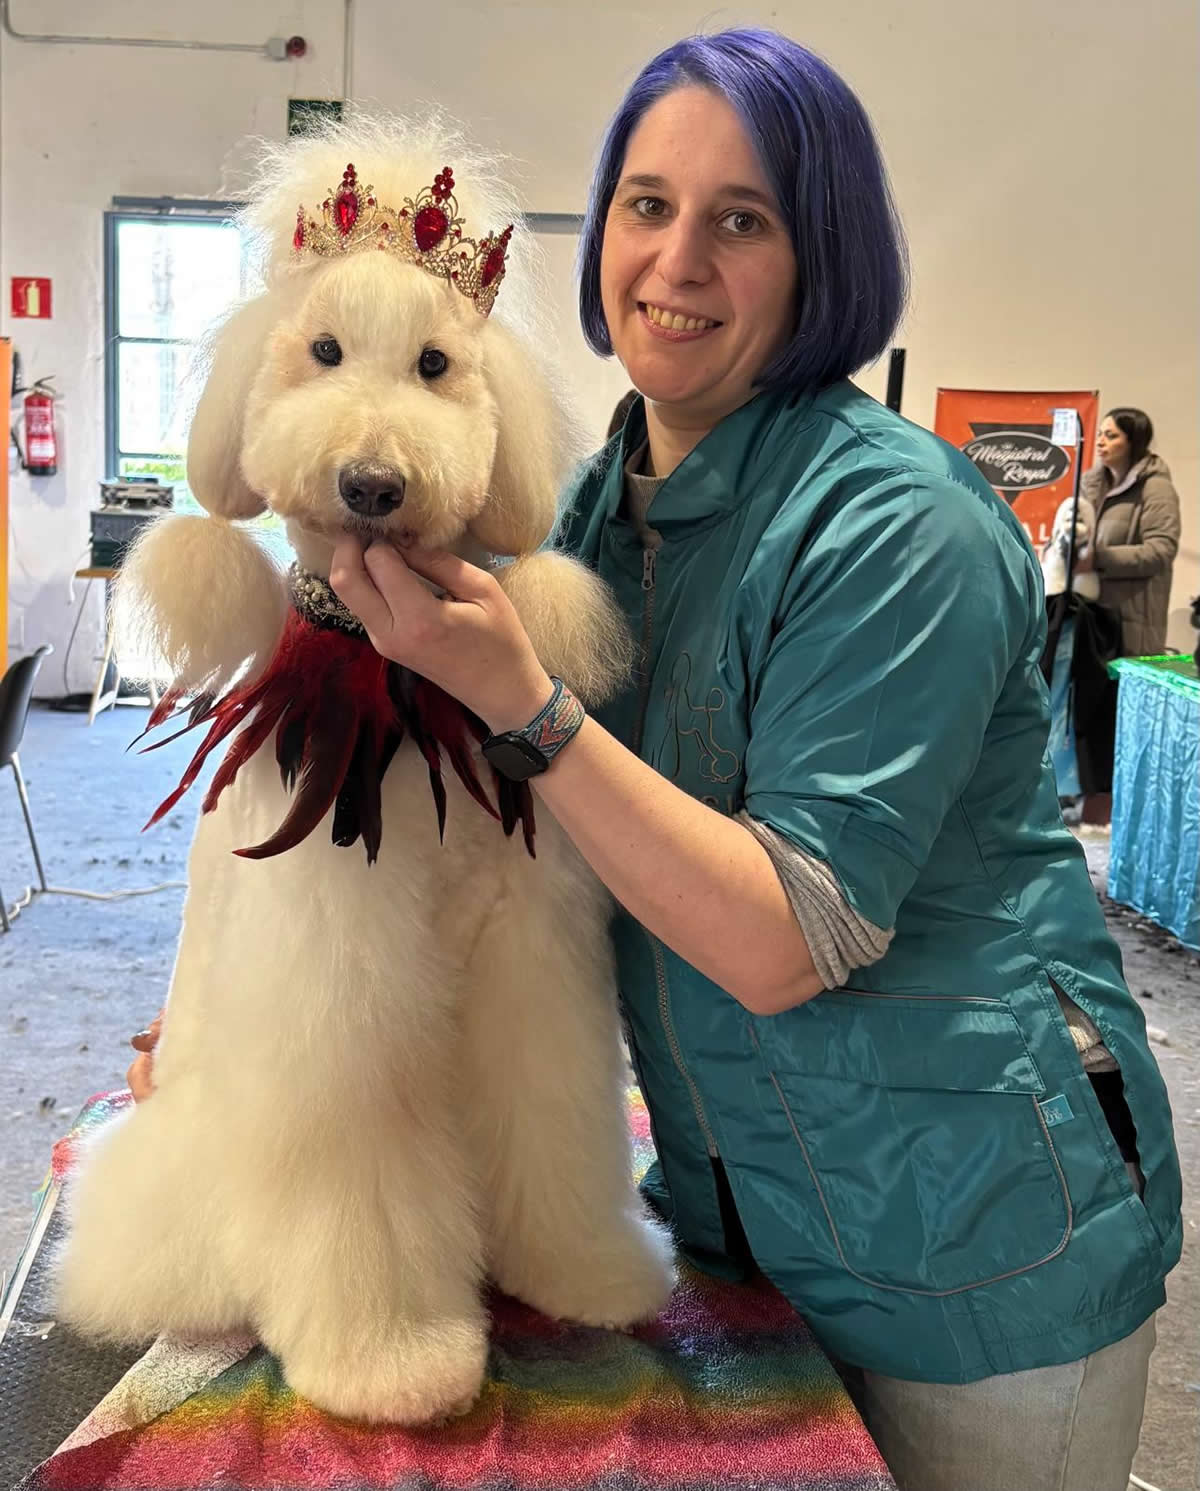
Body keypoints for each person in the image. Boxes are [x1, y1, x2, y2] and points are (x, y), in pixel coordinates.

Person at [132, 30, 1181, 1491]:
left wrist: (529, 706)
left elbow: (791, 931)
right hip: (738, 1218)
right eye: (647, 203)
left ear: (826, 261)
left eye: (741, 219)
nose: (677, 260)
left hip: (975, 1243)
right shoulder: (584, 510)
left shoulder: (903, 527)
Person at [1086, 407, 1182, 658]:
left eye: (1111, 435)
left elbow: (1161, 550)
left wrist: (1097, 558)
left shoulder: (1156, 488)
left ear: (1133, 441)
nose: (1100, 441)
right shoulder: (1093, 488)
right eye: (1099, 434)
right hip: (1095, 622)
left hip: (1132, 629)